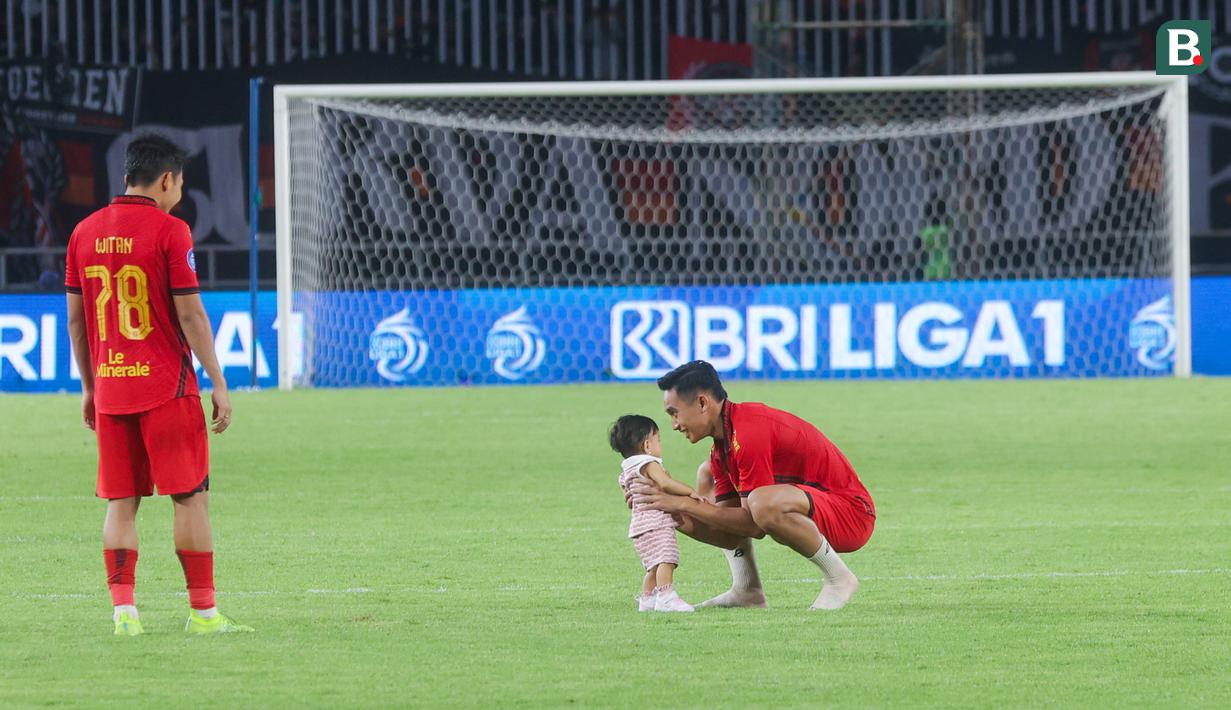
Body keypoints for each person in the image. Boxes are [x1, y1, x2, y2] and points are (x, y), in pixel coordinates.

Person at [64, 133, 252, 635]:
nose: (181, 192)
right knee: (189, 496)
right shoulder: (172, 231)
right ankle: (204, 614)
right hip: (167, 389)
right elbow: (191, 314)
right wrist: (218, 380)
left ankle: (124, 614)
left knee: (121, 502)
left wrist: (90, 387)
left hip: (111, 388)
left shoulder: (83, 232)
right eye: (181, 183)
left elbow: (77, 323)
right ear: (167, 179)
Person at [630, 360, 875, 611]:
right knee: (708, 474)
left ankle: (838, 578)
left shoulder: (749, 431)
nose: (674, 425)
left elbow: (753, 525)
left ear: (702, 403)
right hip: (822, 510)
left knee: (761, 502)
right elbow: (728, 533)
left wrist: (683, 503)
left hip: (852, 515)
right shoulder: (722, 448)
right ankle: (747, 590)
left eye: (674, 413)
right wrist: (668, 511)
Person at [609, 415, 696, 613]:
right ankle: (666, 597)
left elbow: (628, 496)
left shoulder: (627, 470)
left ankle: (647, 600)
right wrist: (690, 491)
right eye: (659, 440)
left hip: (639, 526)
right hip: (656, 522)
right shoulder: (649, 464)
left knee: (654, 565)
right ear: (647, 445)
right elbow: (665, 483)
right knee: (667, 559)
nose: (660, 445)